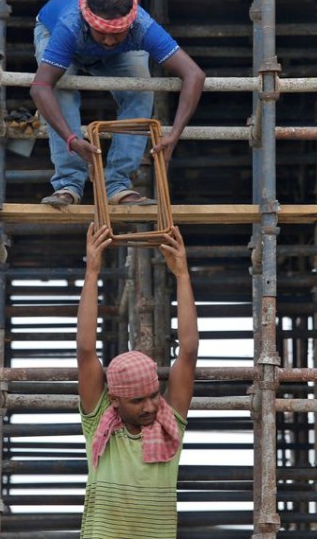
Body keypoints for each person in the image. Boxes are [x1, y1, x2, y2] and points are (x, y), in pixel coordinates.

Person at [30, 0, 206, 207]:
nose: (110, 40)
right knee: (61, 88)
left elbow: (194, 74)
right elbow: (41, 87)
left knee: (141, 88)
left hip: (114, 52)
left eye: (117, 33)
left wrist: (174, 135)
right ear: (88, 21)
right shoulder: (70, 25)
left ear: (130, 23)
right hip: (53, 33)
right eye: (102, 32)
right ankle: (68, 185)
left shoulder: (142, 25)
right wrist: (71, 139)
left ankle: (118, 185)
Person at [76, 223, 199, 538]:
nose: (150, 407)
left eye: (154, 395)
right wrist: (92, 271)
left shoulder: (169, 426)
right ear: (114, 401)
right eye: (137, 401)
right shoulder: (99, 423)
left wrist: (182, 275)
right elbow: (86, 350)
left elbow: (188, 352)